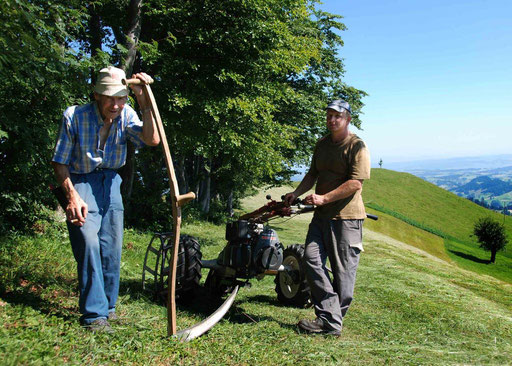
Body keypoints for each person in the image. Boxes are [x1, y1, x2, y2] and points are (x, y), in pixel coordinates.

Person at [51, 66, 160, 332]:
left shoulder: (128, 114)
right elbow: (59, 163)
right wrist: (72, 196)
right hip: (81, 180)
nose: (115, 104)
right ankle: (93, 315)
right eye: (110, 98)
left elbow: (153, 139)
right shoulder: (74, 116)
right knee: (87, 241)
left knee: (111, 247)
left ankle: (108, 308)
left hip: (111, 181)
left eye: (121, 98)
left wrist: (144, 99)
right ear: (96, 95)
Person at [284, 99, 370, 336]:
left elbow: (355, 183)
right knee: (310, 259)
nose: (332, 120)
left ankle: (329, 323)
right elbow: (313, 173)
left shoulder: (357, 146)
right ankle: (331, 318)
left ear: (348, 119)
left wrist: (323, 198)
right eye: (329, 115)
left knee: (343, 274)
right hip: (321, 218)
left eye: (337, 116)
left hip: (347, 219)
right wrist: (296, 193)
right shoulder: (322, 144)